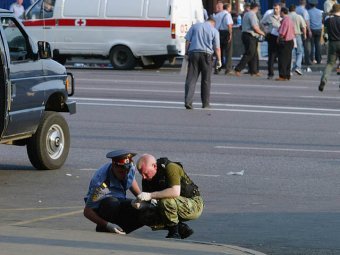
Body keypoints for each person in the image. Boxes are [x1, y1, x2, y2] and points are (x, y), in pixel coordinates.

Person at [135, 154, 204, 239]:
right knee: (144, 215)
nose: (144, 177)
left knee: (166, 201)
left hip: (193, 204)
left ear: (154, 166)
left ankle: (174, 233)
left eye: (145, 173)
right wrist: (140, 204)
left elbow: (175, 192)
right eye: (141, 174)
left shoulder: (171, 167)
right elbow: (149, 201)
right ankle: (180, 228)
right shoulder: (147, 179)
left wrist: (150, 195)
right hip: (173, 204)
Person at [83, 149, 144, 234]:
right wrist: (108, 225)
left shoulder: (130, 168)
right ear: (113, 166)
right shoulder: (103, 185)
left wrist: (142, 197)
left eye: (127, 171)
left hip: (120, 200)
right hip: (105, 207)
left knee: (144, 209)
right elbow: (87, 211)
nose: (125, 174)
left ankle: (123, 231)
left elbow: (131, 180)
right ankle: (104, 229)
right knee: (112, 203)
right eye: (121, 172)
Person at [184, 17, 221, 110]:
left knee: (191, 79)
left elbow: (187, 41)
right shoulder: (214, 30)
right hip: (207, 56)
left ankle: (188, 102)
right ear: (213, 23)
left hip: (193, 53)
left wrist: (186, 53)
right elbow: (217, 47)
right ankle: (205, 103)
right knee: (206, 80)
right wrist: (219, 60)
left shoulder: (195, 26)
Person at [234, 2, 265, 77]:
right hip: (250, 35)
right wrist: (263, 33)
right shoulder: (252, 14)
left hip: (246, 35)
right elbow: (255, 27)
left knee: (254, 54)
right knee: (250, 53)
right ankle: (238, 69)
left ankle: (254, 71)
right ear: (256, 8)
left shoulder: (246, 14)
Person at [319, 4, 340, 91]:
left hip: (332, 43)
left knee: (330, 64)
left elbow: (325, 32)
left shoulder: (329, 20)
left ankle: (324, 80)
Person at [260, 3, 282, 79]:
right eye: (274, 8)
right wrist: (265, 30)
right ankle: (270, 73)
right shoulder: (269, 16)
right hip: (272, 37)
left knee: (281, 56)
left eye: (277, 8)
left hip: (281, 37)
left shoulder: (282, 16)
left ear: (280, 9)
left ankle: (282, 74)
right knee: (271, 56)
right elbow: (262, 23)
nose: (275, 10)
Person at [213, 3, 234, 74]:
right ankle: (228, 69)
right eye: (230, 8)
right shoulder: (227, 14)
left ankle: (217, 68)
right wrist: (230, 34)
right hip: (225, 33)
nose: (230, 9)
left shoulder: (217, 15)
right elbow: (229, 25)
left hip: (218, 33)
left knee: (219, 51)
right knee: (228, 52)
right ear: (228, 8)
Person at [276, 7, 295, 81]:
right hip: (290, 41)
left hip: (285, 41)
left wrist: (278, 38)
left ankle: (282, 75)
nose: (280, 14)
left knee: (282, 59)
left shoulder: (285, 20)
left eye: (280, 12)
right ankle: (287, 75)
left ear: (283, 12)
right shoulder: (290, 20)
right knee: (288, 59)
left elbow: (282, 32)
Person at [289, 4, 307, 75]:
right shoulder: (298, 16)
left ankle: (289, 69)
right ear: (295, 9)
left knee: (290, 53)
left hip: (289, 36)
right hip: (297, 35)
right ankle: (298, 67)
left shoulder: (287, 17)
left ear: (289, 10)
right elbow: (303, 27)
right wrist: (305, 35)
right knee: (299, 52)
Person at [296, 0, 312, 70]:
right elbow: (306, 21)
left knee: (299, 47)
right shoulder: (304, 11)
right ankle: (307, 61)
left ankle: (300, 61)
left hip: (297, 30)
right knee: (306, 46)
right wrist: (309, 30)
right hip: (304, 30)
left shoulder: (296, 9)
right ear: (305, 3)